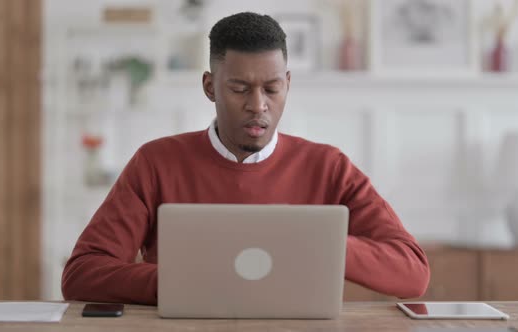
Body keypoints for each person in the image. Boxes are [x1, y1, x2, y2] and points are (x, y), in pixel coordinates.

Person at [62, 12, 430, 305]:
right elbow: (82, 273)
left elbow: (413, 273)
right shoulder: (156, 162)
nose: (258, 106)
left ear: (288, 84)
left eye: (272, 88)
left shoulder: (329, 167)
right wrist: (176, 282)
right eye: (239, 89)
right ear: (209, 86)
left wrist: (319, 242)